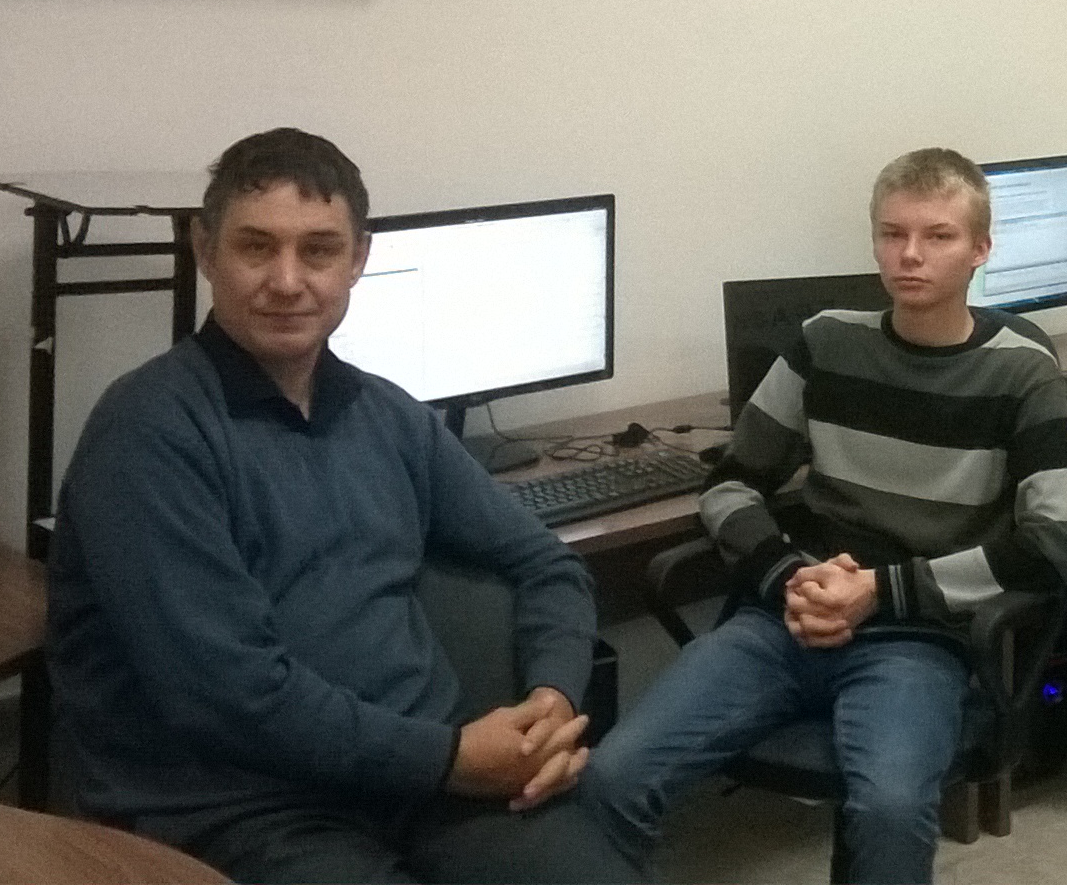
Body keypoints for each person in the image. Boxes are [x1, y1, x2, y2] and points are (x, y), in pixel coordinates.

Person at [45, 128, 636, 884]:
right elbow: (230, 698)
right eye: (256, 247)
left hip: (429, 781)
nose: (288, 281)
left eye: (319, 251)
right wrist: (452, 759)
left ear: (358, 258)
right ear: (204, 249)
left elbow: (544, 563)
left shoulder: (386, 415)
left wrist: (550, 707)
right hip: (247, 806)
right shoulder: (149, 433)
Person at [584, 148, 1067, 884]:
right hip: (789, 617)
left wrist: (878, 592)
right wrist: (788, 574)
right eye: (892, 233)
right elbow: (728, 485)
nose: (910, 255)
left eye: (938, 236)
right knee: (611, 774)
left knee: (890, 809)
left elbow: (1060, 546)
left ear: (981, 249)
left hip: (918, 639)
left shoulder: (1022, 370)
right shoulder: (825, 342)